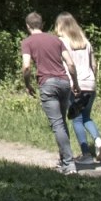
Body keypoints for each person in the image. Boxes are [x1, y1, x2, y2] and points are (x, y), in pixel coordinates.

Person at [20, 12, 79, 175]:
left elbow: (26, 67)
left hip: (47, 84)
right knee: (62, 123)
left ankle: (69, 164)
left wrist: (27, 84)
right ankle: (64, 160)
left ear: (27, 26)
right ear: (42, 24)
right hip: (64, 83)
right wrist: (76, 83)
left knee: (57, 124)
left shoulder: (27, 42)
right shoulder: (56, 40)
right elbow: (70, 63)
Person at [55, 12, 101, 163]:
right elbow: (93, 65)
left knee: (76, 119)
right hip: (90, 83)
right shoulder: (85, 41)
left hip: (75, 85)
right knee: (86, 116)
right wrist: (92, 79)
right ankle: (98, 140)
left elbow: (64, 64)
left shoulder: (62, 42)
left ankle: (86, 155)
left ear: (60, 26)